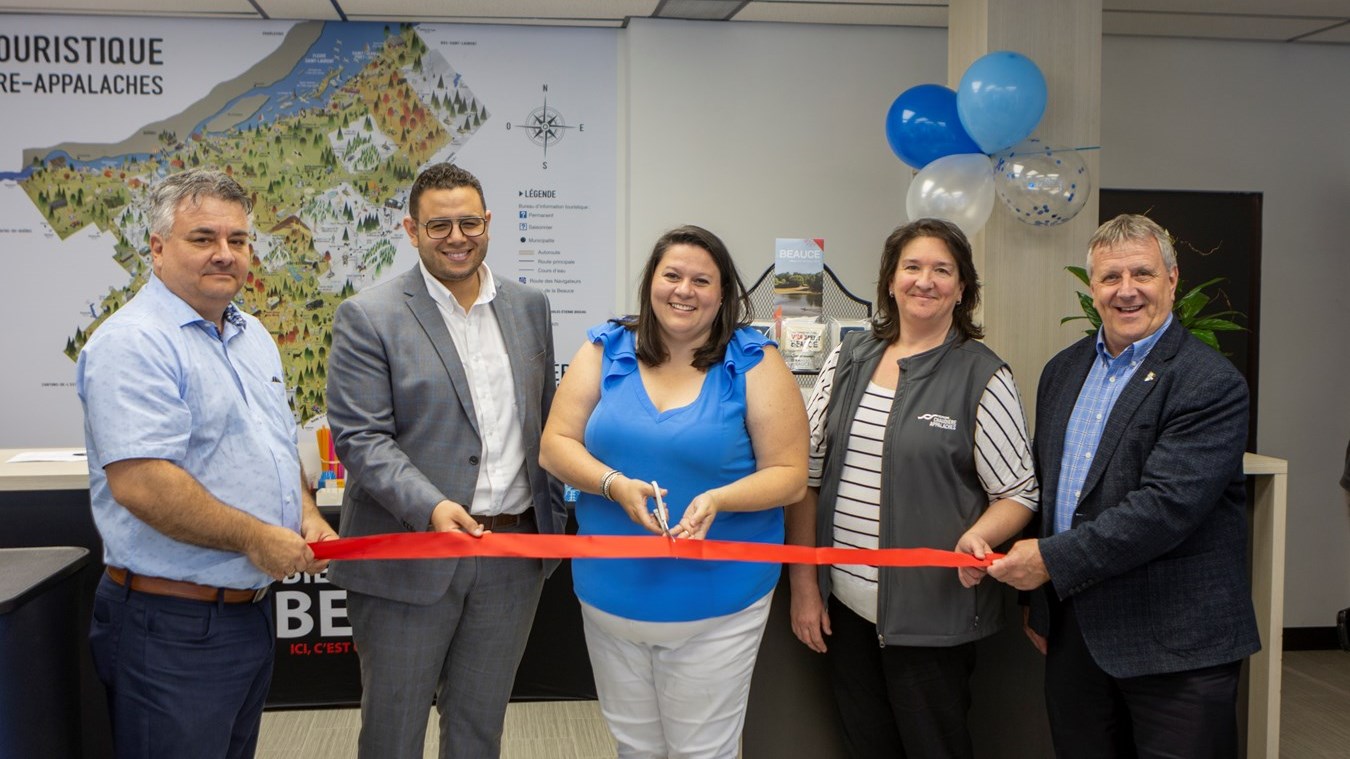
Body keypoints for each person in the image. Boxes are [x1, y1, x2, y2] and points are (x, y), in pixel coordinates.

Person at [76, 168, 337, 758]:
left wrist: (304, 514)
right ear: (158, 247)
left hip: (245, 618)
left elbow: (274, 447)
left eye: (238, 240)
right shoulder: (134, 343)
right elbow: (142, 484)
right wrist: (253, 538)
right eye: (204, 239)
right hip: (169, 624)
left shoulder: (252, 336)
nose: (226, 255)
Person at [988, 213, 1261, 758]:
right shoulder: (1061, 371)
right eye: (1111, 278)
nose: (1127, 291)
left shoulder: (1209, 381)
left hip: (1176, 646)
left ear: (1173, 280)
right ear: (1093, 288)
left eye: (1143, 274)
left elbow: (1164, 509)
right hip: (1077, 639)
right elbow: (1052, 493)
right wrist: (1040, 604)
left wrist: (1047, 562)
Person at [539, 224, 808, 759]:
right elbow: (555, 445)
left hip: (717, 601)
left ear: (725, 294)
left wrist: (719, 498)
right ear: (651, 283)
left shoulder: (755, 360)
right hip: (610, 594)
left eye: (702, 280)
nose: (684, 290)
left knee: (702, 751)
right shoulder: (605, 348)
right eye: (673, 276)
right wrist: (612, 484)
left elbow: (790, 475)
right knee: (634, 746)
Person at [324, 162, 565, 759]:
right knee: (393, 731)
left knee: (479, 728)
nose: (457, 237)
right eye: (438, 226)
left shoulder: (529, 305)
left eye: (468, 222)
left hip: (512, 554)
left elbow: (545, 417)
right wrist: (431, 507)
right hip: (411, 553)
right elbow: (361, 439)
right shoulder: (369, 315)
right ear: (410, 230)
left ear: (488, 223)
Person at [786, 218, 1039, 759]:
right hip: (847, 612)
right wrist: (805, 587)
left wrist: (980, 536)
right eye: (912, 267)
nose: (925, 281)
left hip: (933, 620)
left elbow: (1019, 492)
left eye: (942, 270)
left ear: (962, 288)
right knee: (865, 746)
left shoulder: (982, 375)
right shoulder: (847, 359)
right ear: (891, 280)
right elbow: (806, 479)